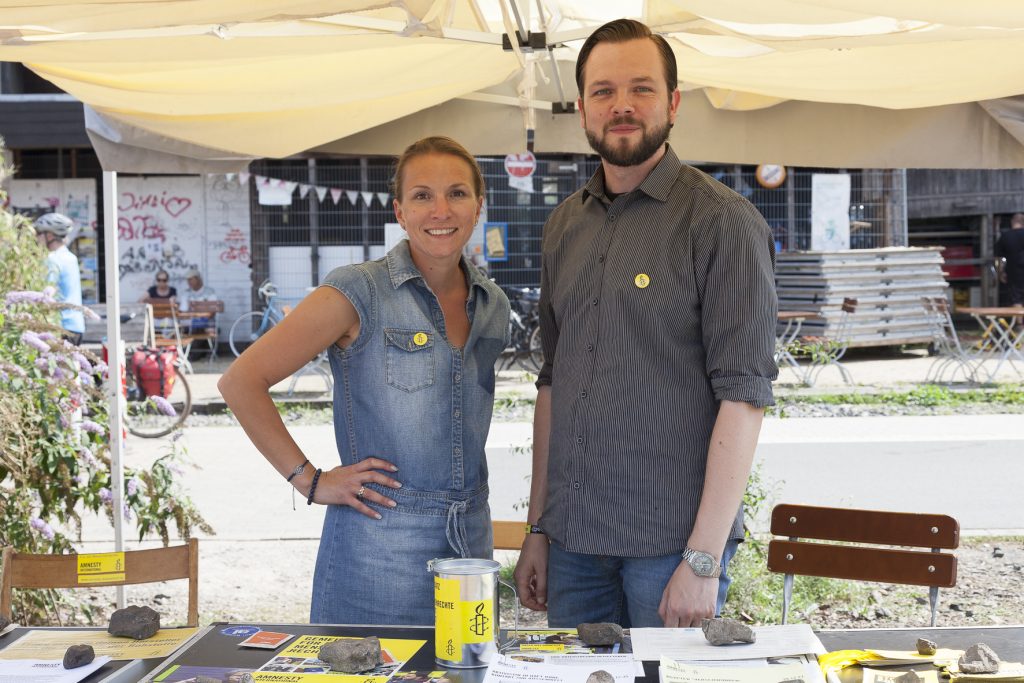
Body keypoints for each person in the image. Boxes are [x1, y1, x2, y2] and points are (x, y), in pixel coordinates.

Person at [512, 18, 778, 629]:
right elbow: (553, 383)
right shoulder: (563, 226)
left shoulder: (722, 222)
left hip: (670, 548)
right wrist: (538, 528)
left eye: (641, 88)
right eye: (603, 91)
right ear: (583, 109)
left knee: (665, 675)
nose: (622, 105)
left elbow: (745, 397)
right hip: (573, 544)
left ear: (673, 103)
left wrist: (703, 559)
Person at [218, 136, 510, 625]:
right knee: (366, 666)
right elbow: (241, 380)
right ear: (400, 211)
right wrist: (310, 481)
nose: (441, 210)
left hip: (470, 543)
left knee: (465, 667)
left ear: (479, 206)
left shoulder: (493, 304)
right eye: (422, 195)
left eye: (457, 193)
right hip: (378, 545)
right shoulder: (359, 290)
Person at [34, 213, 85, 345]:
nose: (36, 237)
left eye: (39, 233)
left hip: (60, 326)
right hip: (76, 326)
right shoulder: (71, 257)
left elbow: (47, 292)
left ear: (50, 235)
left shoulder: (52, 259)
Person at [995, 212, 1024, 306]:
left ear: (1012, 222)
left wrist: (1000, 272)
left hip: (1013, 273)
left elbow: (999, 257)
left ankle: (1018, 315)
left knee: (1016, 300)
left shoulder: (1005, 236)